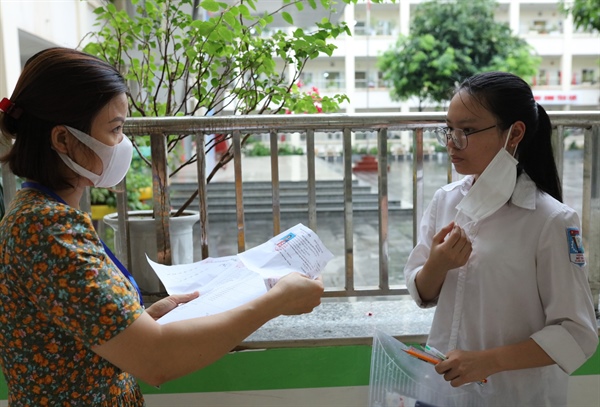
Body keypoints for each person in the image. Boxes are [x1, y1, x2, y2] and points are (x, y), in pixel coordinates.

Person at [0, 47, 324, 406]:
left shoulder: (43, 214)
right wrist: (275, 302)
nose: (123, 143)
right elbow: (157, 360)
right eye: (115, 129)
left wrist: (141, 319)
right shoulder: (47, 230)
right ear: (63, 139)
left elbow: (73, 336)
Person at [404, 71, 598, 405]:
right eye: (449, 129)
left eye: (467, 131)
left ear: (514, 133)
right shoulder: (445, 200)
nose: (452, 142)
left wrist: (488, 361)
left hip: (513, 396)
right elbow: (422, 293)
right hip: (440, 392)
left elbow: (577, 333)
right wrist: (437, 264)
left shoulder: (551, 220)